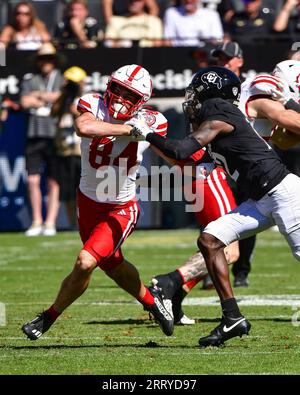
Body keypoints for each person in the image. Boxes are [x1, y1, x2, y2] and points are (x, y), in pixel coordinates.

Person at [130, 66, 300, 347]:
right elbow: (197, 165)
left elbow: (182, 150)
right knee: (209, 240)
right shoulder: (218, 120)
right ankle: (232, 318)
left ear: (211, 94)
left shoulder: (219, 111)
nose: (192, 100)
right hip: (260, 200)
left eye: (195, 94)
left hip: (283, 194)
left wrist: (147, 133)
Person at [21, 64, 174, 340]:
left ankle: (47, 317)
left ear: (141, 101)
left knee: (84, 262)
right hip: (88, 201)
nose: (119, 98)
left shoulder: (153, 120)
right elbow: (84, 126)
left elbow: (171, 154)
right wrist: (129, 129)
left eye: (129, 95)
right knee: (113, 265)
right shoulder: (93, 102)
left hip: (121, 207)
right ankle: (153, 302)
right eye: (117, 89)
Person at [20, 43, 64, 237]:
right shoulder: (30, 79)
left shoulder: (62, 79)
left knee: (54, 182)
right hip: (34, 134)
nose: (45, 62)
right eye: (42, 59)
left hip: (54, 135)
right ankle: (37, 220)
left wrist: (40, 96)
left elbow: (62, 99)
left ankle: (50, 222)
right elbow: (24, 101)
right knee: (33, 180)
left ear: (54, 61)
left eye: (49, 58)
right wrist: (49, 99)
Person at [51, 66, 87, 229]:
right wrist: (63, 96)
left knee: (83, 190)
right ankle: (74, 224)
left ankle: (85, 222)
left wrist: (77, 112)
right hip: (64, 149)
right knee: (67, 191)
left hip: (80, 151)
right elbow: (54, 112)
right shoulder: (62, 99)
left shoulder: (87, 100)